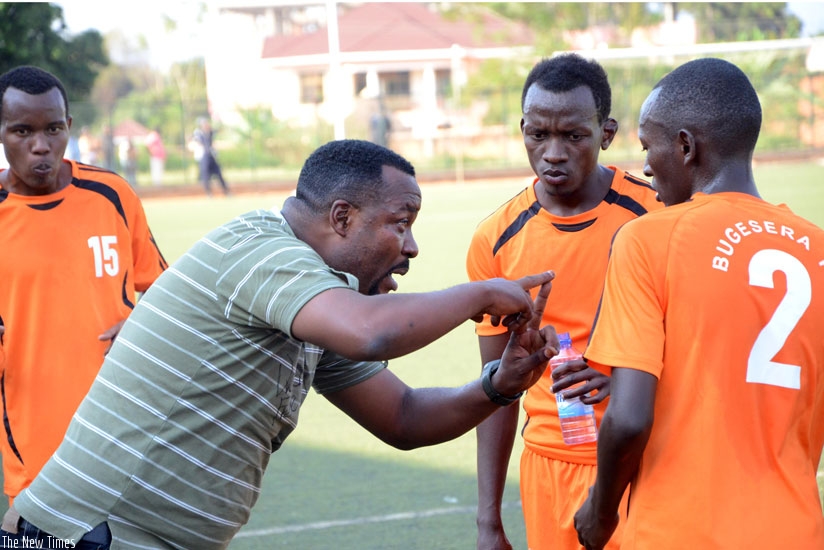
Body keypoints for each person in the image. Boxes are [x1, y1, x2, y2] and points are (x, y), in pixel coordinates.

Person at [8, 138, 560, 549]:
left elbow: (404, 417)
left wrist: (499, 386)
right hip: (88, 536)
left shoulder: (317, 302)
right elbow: (373, 331)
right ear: (341, 217)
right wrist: (482, 292)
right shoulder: (261, 249)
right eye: (401, 222)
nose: (411, 246)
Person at [574, 58, 824, 550]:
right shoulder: (816, 247)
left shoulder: (647, 239)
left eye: (649, 147)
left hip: (678, 532)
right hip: (795, 531)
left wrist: (600, 512)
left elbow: (627, 418)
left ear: (686, 146)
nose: (644, 166)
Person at [466, 53, 661, 550]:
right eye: (538, 135)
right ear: (523, 130)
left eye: (573, 136)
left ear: (607, 133)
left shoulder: (657, 217)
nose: (553, 152)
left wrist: (622, 372)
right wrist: (488, 521)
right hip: (550, 464)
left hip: (653, 459)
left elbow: (704, 340)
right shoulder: (495, 240)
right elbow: (496, 390)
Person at [0, 65, 169, 545]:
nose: (41, 144)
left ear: (69, 127)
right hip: (38, 457)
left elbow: (165, 294)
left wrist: (143, 325)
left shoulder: (111, 195)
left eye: (53, 128)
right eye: (22, 130)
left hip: (128, 439)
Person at [191, 116, 230, 197]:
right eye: (204, 124)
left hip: (211, 157)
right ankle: (208, 193)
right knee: (205, 176)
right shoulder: (198, 133)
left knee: (219, 174)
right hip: (204, 157)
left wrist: (219, 121)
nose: (206, 125)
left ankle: (226, 192)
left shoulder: (210, 132)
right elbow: (198, 142)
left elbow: (219, 130)